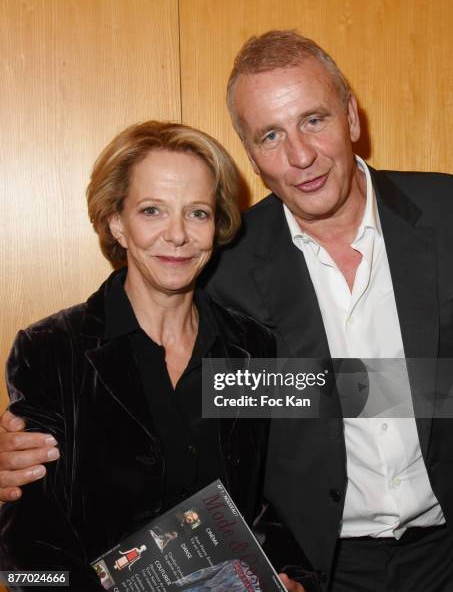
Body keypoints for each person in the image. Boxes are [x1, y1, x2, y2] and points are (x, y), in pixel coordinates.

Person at [2, 29, 453, 590]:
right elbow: (30, 555)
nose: (301, 154)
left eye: (313, 119)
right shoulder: (216, 279)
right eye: (270, 134)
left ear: (352, 119)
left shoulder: (445, 215)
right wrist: (24, 450)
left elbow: (322, 402)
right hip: (328, 566)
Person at [0, 120, 305, 590]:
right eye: (152, 211)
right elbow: (28, 558)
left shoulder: (250, 348)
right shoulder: (51, 350)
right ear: (116, 222)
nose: (178, 235)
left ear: (217, 223)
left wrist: (293, 576)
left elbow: (265, 498)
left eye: (198, 213)